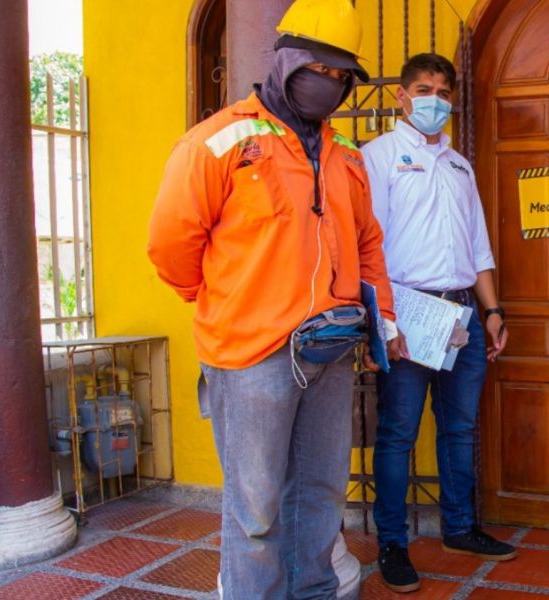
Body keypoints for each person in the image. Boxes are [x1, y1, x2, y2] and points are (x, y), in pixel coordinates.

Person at [147, 0, 407, 597]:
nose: (332, 85)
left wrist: (383, 317)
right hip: (251, 359)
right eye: (322, 69)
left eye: (344, 77)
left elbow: (369, 244)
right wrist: (225, 301)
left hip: (331, 351)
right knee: (255, 512)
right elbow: (170, 246)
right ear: (287, 59)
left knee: (318, 497)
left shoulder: (346, 158)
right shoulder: (219, 143)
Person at [361, 52, 515, 593]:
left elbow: (478, 245)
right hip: (409, 313)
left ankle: (459, 528)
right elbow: (368, 245)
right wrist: (384, 323)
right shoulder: (377, 157)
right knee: (399, 434)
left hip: (463, 317)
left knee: (459, 429)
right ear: (401, 97)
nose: (435, 100)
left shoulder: (459, 164)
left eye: (444, 92)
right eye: (424, 89)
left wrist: (491, 311)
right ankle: (392, 543)